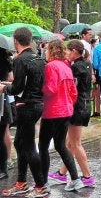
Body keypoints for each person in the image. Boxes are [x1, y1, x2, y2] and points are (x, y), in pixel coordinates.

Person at [0, 27, 47, 197]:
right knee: (20, 143)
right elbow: (31, 84)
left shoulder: (21, 60)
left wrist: (3, 88)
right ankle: (21, 182)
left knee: (28, 146)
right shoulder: (39, 58)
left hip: (26, 106)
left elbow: (17, 88)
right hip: (37, 104)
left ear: (15, 41)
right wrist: (8, 85)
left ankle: (41, 186)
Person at [38, 39, 84, 192]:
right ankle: (76, 179)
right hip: (66, 110)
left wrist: (39, 89)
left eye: (47, 50)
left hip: (52, 111)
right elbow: (73, 92)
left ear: (51, 50)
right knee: (60, 145)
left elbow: (50, 89)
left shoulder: (50, 66)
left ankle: (43, 182)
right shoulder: (66, 67)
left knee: (43, 146)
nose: (45, 53)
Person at [48, 40, 95, 188]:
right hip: (85, 105)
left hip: (78, 108)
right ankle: (62, 174)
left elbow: (71, 88)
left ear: (74, 51)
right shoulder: (86, 64)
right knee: (69, 143)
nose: (66, 54)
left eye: (68, 51)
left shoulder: (76, 67)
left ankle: (87, 176)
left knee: (75, 143)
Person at [0, 48, 13, 180]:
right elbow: (12, 78)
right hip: (4, 99)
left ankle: (3, 168)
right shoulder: (6, 58)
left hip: (2, 101)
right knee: (3, 134)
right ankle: (3, 167)